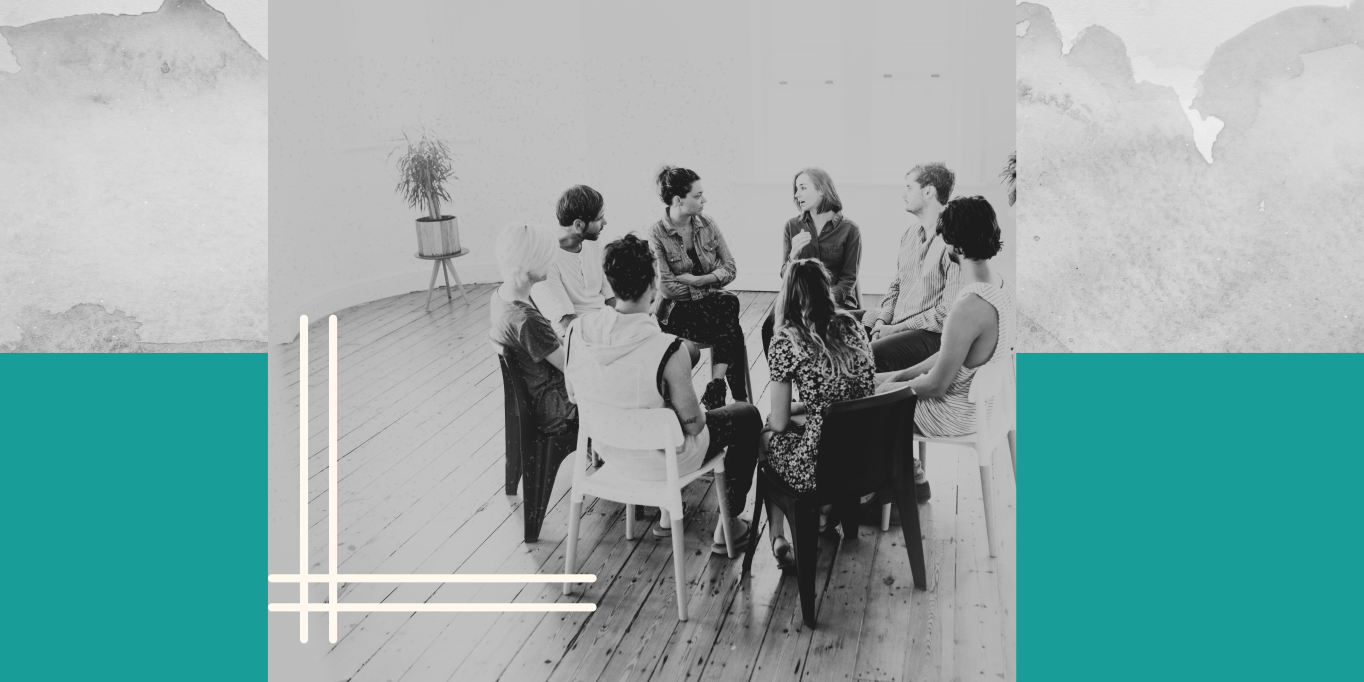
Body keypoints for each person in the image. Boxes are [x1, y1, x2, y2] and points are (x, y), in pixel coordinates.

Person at [564, 234, 760, 554]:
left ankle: (669, 517)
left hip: (609, 455)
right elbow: (694, 426)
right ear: (653, 285)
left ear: (609, 282)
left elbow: (574, 393)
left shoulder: (577, 331)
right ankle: (730, 525)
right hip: (659, 463)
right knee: (747, 415)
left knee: (661, 408)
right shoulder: (666, 348)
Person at [761, 259, 876, 569]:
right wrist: (806, 407)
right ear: (826, 289)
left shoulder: (786, 339)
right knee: (804, 425)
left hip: (819, 464)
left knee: (767, 435)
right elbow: (857, 392)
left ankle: (777, 537)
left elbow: (781, 422)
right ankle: (825, 517)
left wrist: (784, 414)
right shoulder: (852, 325)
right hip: (865, 455)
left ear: (788, 295)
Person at [876, 195, 1015, 439]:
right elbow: (949, 355)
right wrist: (897, 376)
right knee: (871, 384)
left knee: (853, 409)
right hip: (982, 409)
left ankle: (909, 474)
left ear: (957, 245)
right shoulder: (1003, 287)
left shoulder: (968, 306)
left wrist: (889, 388)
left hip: (950, 415)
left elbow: (935, 386)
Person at [647, 165, 748, 410]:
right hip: (677, 314)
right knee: (731, 324)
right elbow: (668, 288)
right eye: (697, 195)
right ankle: (736, 398)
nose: (704, 200)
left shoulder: (707, 224)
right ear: (678, 200)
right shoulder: (656, 233)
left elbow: (731, 267)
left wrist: (698, 280)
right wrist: (712, 283)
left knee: (729, 306)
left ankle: (715, 387)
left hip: (711, 308)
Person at [863, 162, 961, 372]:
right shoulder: (909, 234)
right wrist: (882, 321)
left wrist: (896, 329)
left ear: (928, 191)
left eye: (909, 187)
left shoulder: (953, 239)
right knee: (833, 329)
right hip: (895, 322)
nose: (904, 194)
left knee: (866, 356)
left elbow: (948, 312)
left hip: (930, 334)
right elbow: (896, 286)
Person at [760, 167, 864, 357]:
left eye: (802, 188)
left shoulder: (850, 229)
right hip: (798, 299)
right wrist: (793, 256)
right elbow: (785, 275)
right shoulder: (792, 226)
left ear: (822, 189)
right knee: (769, 328)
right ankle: (782, 381)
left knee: (826, 331)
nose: (797, 194)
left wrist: (822, 300)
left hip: (836, 300)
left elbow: (849, 279)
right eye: (796, 189)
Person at [489, 222, 577, 439]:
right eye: (548, 257)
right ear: (532, 262)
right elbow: (573, 368)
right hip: (558, 410)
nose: (552, 262)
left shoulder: (502, 295)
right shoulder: (526, 320)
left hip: (543, 399)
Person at [531, 185, 616, 335]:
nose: (605, 222)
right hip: (575, 335)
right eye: (599, 218)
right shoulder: (545, 259)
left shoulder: (593, 240)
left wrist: (625, 322)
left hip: (605, 323)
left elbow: (609, 292)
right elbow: (568, 321)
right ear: (578, 225)